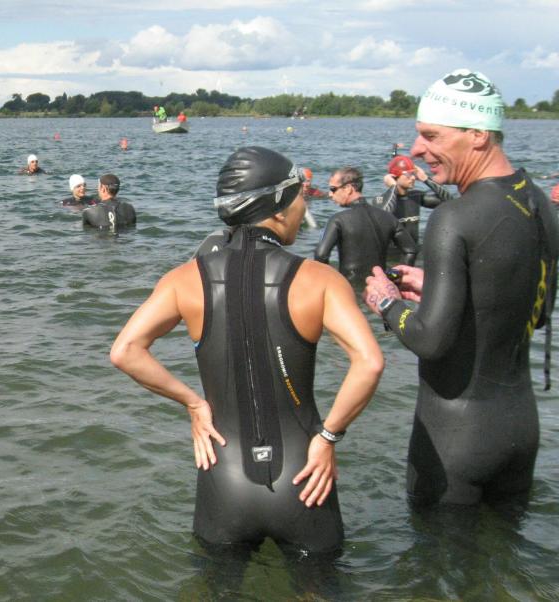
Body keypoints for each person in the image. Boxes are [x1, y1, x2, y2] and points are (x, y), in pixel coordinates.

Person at [110, 146, 382, 554]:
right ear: (278, 208)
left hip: (223, 478)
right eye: (300, 197)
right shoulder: (320, 279)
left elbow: (125, 350)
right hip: (305, 478)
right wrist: (328, 436)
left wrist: (193, 403)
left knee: (216, 583)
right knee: (319, 583)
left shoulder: (184, 279)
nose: (304, 207)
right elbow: (370, 362)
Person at [363, 68, 559, 508]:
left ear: (478, 135)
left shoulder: (455, 217)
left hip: (455, 439)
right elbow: (536, 309)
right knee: (504, 551)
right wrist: (444, 288)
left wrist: (387, 303)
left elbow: (430, 340)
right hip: (521, 431)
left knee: (437, 553)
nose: (416, 149)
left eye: (431, 136)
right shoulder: (538, 201)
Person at [314, 167, 416, 282]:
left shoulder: (338, 220)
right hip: (380, 286)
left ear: (348, 188)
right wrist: (393, 278)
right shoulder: (388, 217)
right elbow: (411, 250)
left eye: (333, 189)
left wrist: (332, 282)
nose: (330, 194)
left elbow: (321, 255)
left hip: (350, 287)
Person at [374, 155, 453, 245]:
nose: (413, 177)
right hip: (392, 252)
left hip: (414, 250)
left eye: (413, 173)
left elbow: (449, 201)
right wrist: (393, 187)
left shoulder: (415, 196)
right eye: (408, 174)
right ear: (394, 177)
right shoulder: (381, 200)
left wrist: (426, 179)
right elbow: (382, 218)